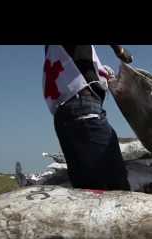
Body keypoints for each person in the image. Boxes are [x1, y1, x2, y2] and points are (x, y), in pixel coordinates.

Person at [43, 45, 132, 191]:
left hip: (65, 114)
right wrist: (120, 51)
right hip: (83, 110)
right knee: (115, 190)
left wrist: (100, 74)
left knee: (89, 191)